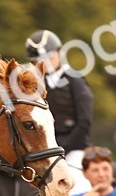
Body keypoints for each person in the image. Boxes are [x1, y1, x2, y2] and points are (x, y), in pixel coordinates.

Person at [26, 30, 92, 169]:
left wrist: (61, 148)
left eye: (50, 57)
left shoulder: (75, 80)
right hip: (45, 149)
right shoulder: (35, 86)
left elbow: (84, 122)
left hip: (73, 149)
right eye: (39, 59)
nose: (46, 63)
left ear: (59, 53)